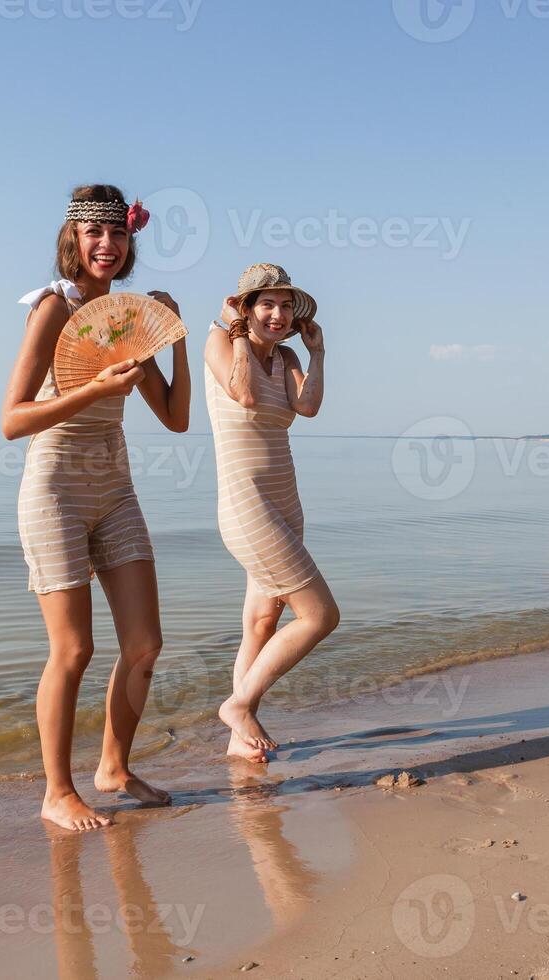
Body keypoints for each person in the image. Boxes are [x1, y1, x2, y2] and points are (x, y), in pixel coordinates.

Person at [0, 184, 188, 830]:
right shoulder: (54, 308)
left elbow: (176, 418)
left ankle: (112, 765)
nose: (107, 245)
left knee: (144, 644)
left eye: (119, 234)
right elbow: (11, 420)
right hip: (54, 488)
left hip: (116, 489)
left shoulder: (132, 317)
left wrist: (177, 341)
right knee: (73, 649)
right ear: (73, 240)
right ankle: (57, 791)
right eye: (95, 234)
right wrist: (94, 390)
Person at [203, 263, 340, 763]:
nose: (278, 315)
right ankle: (238, 706)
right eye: (267, 304)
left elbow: (307, 407)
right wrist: (238, 332)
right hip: (247, 505)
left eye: (286, 306)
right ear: (246, 308)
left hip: (285, 500)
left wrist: (317, 352)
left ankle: (240, 738)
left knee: (262, 621)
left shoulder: (286, 357)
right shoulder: (219, 343)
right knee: (321, 615)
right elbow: (241, 391)